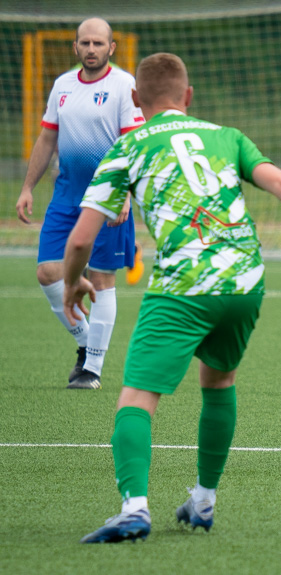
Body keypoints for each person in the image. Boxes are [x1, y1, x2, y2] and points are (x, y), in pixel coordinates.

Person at [63, 52, 281, 543]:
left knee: (136, 395)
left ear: (136, 100)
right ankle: (203, 499)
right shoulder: (226, 136)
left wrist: (73, 280)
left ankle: (134, 508)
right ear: (189, 97)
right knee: (219, 382)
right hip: (244, 280)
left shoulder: (128, 146)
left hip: (184, 284)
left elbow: (79, 241)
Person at [16, 18, 145, 390]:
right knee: (47, 272)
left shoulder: (124, 86)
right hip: (66, 195)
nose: (91, 49)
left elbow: (132, 145)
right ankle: (87, 343)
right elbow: (46, 139)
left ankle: (92, 369)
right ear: (75, 48)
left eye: (98, 43)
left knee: (103, 280)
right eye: (85, 43)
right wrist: (27, 187)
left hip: (108, 197)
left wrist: (124, 193)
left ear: (111, 48)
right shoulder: (63, 85)